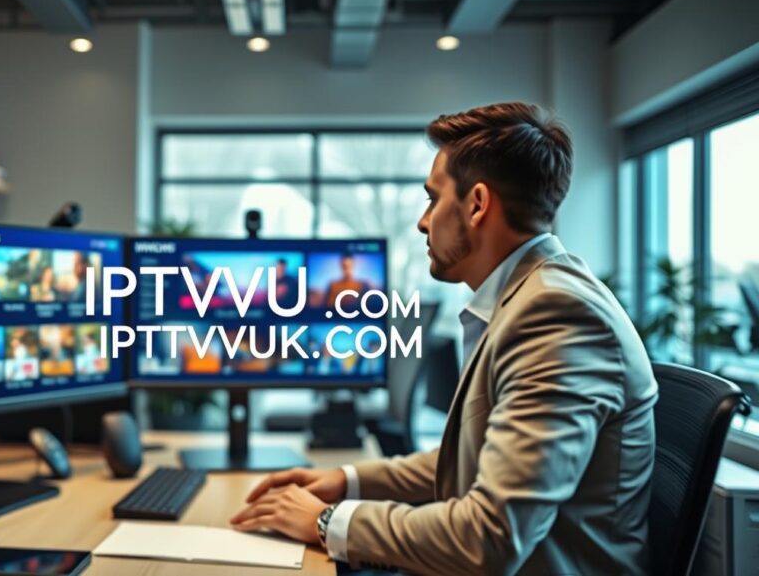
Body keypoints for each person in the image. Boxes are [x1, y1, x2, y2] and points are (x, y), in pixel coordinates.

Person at [231, 103, 658, 575]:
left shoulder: (557, 315)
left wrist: (327, 521)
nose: (422, 221)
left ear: (476, 204)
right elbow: (471, 458)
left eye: (433, 199)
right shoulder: (527, 298)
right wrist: (346, 480)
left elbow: (490, 537)